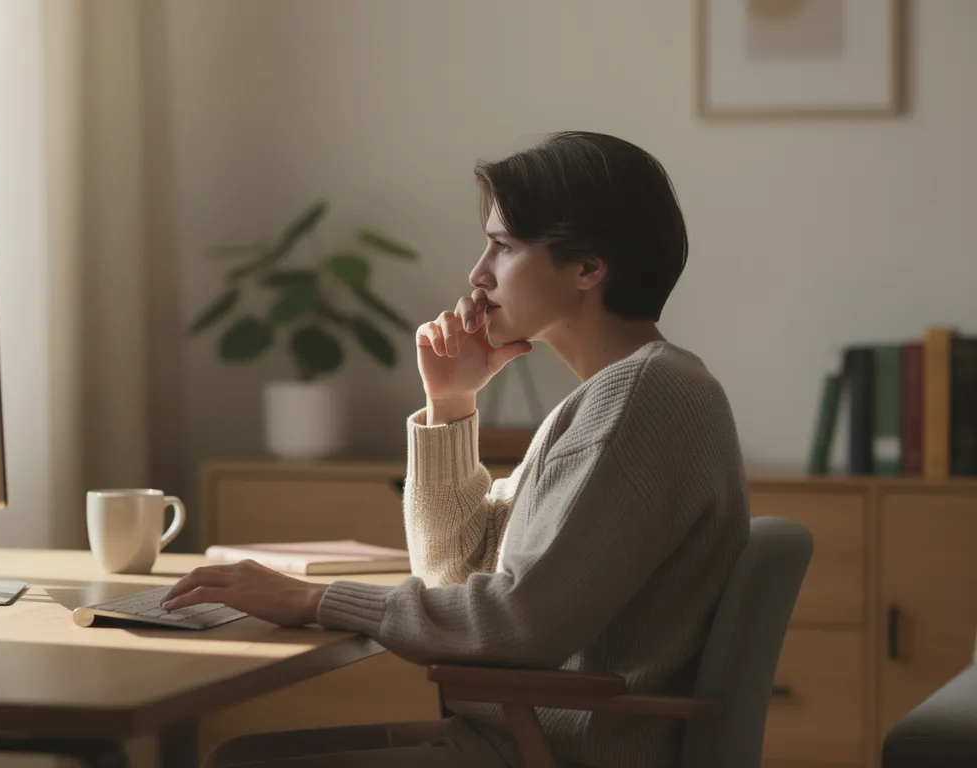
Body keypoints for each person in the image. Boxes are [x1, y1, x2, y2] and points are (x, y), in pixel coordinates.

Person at [163, 131, 751, 768]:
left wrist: (314, 599)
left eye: (502, 246)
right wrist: (450, 405)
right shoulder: (609, 400)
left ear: (587, 267)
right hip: (515, 741)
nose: (477, 273)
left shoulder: (642, 397)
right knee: (238, 758)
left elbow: (519, 624)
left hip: (550, 753)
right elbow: (451, 574)